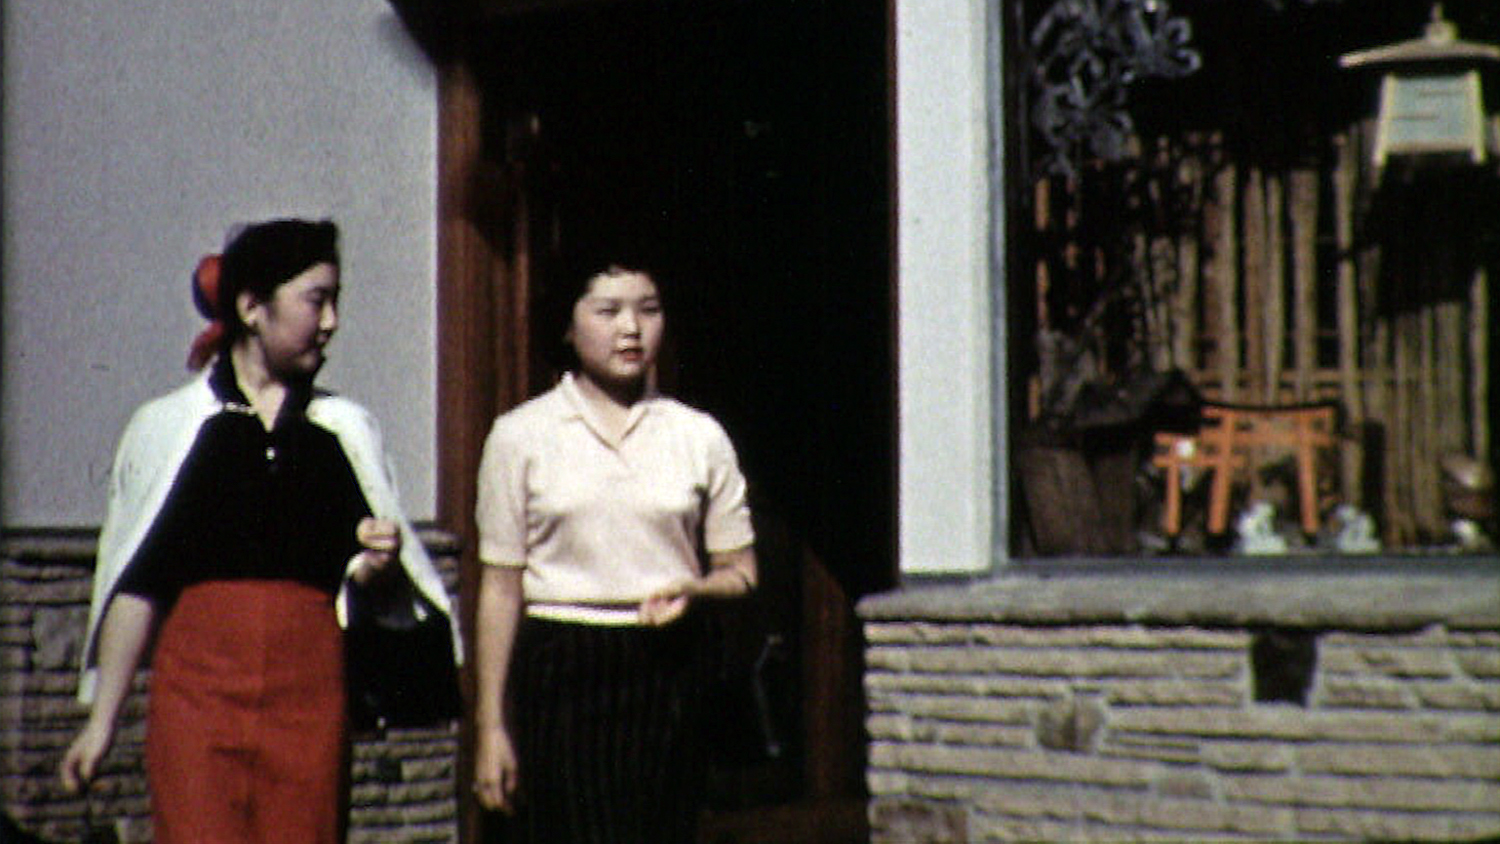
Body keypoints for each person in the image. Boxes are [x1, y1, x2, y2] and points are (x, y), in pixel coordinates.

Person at [58, 218, 461, 844]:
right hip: (197, 700)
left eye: (336, 302)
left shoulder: (341, 430)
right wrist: (101, 722)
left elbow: (360, 573)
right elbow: (136, 580)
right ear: (252, 307)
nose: (330, 322)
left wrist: (372, 567)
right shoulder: (174, 427)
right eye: (315, 300)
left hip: (308, 699)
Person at [472, 259, 758, 843]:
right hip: (563, 666)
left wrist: (693, 589)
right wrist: (490, 724)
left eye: (647, 310)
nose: (631, 329)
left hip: (670, 668)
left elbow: (742, 572)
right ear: (567, 327)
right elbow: (499, 588)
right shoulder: (521, 436)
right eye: (608, 311)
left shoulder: (697, 435)